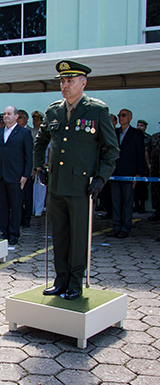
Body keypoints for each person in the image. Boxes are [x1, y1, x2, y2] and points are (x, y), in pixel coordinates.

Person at [34, 60, 119, 300]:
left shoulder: (96, 110)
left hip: (81, 186)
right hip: (56, 183)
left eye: (70, 81)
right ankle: (60, 280)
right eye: (62, 81)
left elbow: (111, 149)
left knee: (79, 235)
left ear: (83, 83)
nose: (65, 85)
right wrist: (39, 165)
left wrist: (102, 176)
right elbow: (41, 140)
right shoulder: (54, 110)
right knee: (59, 234)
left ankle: (75, 282)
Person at [0, 106, 33, 246]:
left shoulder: (24, 133)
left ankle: (14, 234)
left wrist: (26, 175)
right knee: (2, 206)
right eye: (4, 114)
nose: (6, 116)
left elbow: (29, 156)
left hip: (16, 176)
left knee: (15, 206)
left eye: (9, 114)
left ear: (16, 116)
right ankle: (4, 232)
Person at [107, 109, 145, 238]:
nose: (121, 118)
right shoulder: (114, 132)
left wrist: (139, 174)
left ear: (130, 117)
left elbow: (140, 155)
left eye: (123, 115)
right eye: (119, 116)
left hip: (129, 173)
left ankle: (126, 227)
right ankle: (116, 226)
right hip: (115, 172)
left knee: (127, 203)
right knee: (116, 202)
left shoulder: (136, 134)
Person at [31, 111, 47, 216]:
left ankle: (39, 209)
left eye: (37, 119)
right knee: (33, 188)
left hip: (42, 162)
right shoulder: (30, 132)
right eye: (34, 119)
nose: (35, 121)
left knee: (41, 187)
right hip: (32, 162)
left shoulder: (45, 133)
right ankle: (34, 208)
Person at [134, 119, 151, 214]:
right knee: (134, 188)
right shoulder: (134, 137)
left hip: (144, 166)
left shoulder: (148, 138)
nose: (139, 127)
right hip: (134, 166)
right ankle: (136, 205)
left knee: (143, 188)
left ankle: (142, 206)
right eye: (138, 125)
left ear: (145, 127)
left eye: (142, 125)